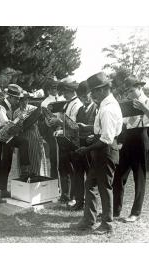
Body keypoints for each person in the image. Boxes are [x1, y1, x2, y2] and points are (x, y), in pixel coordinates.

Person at [72, 72, 123, 234]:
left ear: (102, 90)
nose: (92, 95)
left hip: (106, 151)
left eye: (93, 91)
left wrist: (86, 149)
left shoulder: (108, 108)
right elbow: (103, 131)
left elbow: (106, 138)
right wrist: (90, 132)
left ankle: (107, 224)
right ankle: (89, 220)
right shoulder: (107, 104)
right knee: (90, 185)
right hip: (102, 151)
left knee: (104, 188)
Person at [113, 76, 149, 222]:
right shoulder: (128, 103)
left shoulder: (147, 101)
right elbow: (123, 122)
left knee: (139, 176)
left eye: (131, 90)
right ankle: (115, 210)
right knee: (119, 175)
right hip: (128, 137)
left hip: (142, 135)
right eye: (127, 90)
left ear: (139, 87)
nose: (128, 93)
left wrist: (144, 108)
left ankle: (136, 212)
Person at [52, 78, 83, 206]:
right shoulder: (67, 103)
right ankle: (65, 195)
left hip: (73, 142)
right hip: (64, 140)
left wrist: (59, 123)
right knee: (63, 168)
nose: (63, 94)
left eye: (64, 91)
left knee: (74, 169)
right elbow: (64, 122)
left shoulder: (77, 104)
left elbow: (74, 125)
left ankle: (74, 197)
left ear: (70, 90)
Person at [70, 81, 97, 211]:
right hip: (79, 145)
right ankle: (79, 201)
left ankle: (89, 204)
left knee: (90, 177)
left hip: (91, 147)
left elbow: (99, 128)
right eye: (81, 97)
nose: (85, 99)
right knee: (78, 174)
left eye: (86, 96)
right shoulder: (80, 109)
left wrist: (87, 129)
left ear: (91, 93)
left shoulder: (97, 108)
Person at [0, 84, 30, 197]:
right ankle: (1, 189)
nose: (18, 101)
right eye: (17, 98)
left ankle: (24, 170)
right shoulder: (2, 106)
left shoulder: (11, 106)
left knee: (7, 163)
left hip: (8, 137)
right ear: (10, 97)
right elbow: (4, 123)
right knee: (4, 163)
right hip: (1, 138)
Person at [14, 91, 47, 176]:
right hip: (22, 137)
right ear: (19, 101)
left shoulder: (34, 109)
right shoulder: (16, 112)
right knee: (24, 159)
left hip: (33, 135)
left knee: (35, 158)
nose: (24, 102)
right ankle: (24, 178)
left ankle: (36, 177)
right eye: (22, 100)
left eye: (26, 100)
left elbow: (41, 122)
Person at [40, 78, 65, 179]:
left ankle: (65, 185)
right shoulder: (45, 103)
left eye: (57, 87)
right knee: (55, 159)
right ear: (48, 89)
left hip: (64, 130)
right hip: (53, 131)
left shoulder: (63, 99)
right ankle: (56, 183)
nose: (56, 90)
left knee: (65, 159)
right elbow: (49, 120)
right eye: (53, 88)